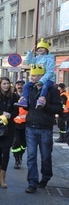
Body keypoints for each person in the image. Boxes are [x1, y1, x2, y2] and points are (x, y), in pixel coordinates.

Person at [24, 65, 62, 193]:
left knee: (45, 156)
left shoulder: (52, 90)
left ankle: (45, 177)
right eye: (31, 75)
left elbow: (58, 109)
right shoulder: (30, 88)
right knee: (31, 156)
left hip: (45, 128)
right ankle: (32, 182)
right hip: (30, 127)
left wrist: (46, 106)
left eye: (34, 75)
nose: (31, 77)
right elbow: (28, 107)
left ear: (41, 76)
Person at [15, 38, 55, 110]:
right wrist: (30, 52)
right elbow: (28, 61)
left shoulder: (50, 59)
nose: (40, 49)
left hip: (48, 79)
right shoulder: (37, 58)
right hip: (36, 80)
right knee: (26, 85)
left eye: (42, 48)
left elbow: (50, 72)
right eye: (39, 48)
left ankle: (41, 99)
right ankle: (24, 100)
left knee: (45, 86)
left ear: (46, 49)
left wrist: (42, 81)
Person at [12, 80, 27, 169]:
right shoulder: (13, 96)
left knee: (24, 143)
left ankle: (20, 156)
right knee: (15, 143)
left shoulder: (27, 96)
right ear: (15, 86)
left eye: (21, 84)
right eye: (18, 85)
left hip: (26, 123)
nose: (20, 86)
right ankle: (16, 160)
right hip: (15, 124)